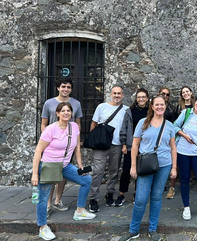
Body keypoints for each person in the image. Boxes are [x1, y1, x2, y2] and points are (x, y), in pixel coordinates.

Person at [32, 102, 95, 241]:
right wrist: (35, 173)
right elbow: (38, 151)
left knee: (86, 180)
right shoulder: (50, 129)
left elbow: (77, 147)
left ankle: (79, 211)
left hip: (65, 165)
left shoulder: (74, 127)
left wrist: (80, 166)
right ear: (58, 113)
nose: (66, 113)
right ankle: (42, 227)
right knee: (43, 197)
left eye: (68, 110)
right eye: (63, 111)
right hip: (49, 166)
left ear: (71, 113)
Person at [122, 95, 177, 241]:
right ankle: (134, 230)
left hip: (164, 165)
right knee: (140, 199)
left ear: (165, 106)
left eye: (162, 104)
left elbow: (173, 148)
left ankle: (153, 229)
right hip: (146, 165)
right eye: (157, 104)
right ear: (152, 107)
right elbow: (135, 145)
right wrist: (133, 166)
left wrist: (174, 168)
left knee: (157, 197)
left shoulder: (169, 125)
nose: (160, 107)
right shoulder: (142, 123)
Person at [40, 77, 83, 217]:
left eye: (68, 87)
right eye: (63, 86)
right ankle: (48, 204)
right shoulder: (49, 103)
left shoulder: (76, 104)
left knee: (63, 174)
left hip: (67, 146)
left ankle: (58, 200)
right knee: (50, 175)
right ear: (58, 88)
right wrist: (46, 139)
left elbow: (78, 123)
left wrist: (76, 141)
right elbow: (43, 123)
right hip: (52, 145)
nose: (66, 89)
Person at [88, 86, 129, 212]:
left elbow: (127, 128)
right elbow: (94, 124)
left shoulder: (126, 110)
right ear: (111, 94)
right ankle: (93, 198)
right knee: (98, 171)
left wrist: (124, 144)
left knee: (114, 171)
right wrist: (94, 141)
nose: (116, 95)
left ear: (122, 95)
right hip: (101, 144)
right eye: (114, 93)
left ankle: (109, 193)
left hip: (116, 144)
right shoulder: (101, 107)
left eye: (119, 93)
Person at [115, 88, 150, 206]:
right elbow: (124, 128)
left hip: (145, 146)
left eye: (143, 97)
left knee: (141, 171)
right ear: (136, 98)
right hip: (131, 145)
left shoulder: (151, 111)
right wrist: (124, 144)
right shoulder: (130, 111)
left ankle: (137, 193)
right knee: (126, 170)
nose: (141, 99)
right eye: (139, 97)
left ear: (147, 98)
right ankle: (121, 194)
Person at [167, 86, 195, 198]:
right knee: (176, 163)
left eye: (187, 91)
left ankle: (186, 186)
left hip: (194, 138)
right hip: (180, 137)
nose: (185, 94)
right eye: (183, 92)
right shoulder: (178, 107)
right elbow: (174, 123)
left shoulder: (196, 106)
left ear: (191, 93)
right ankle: (172, 187)